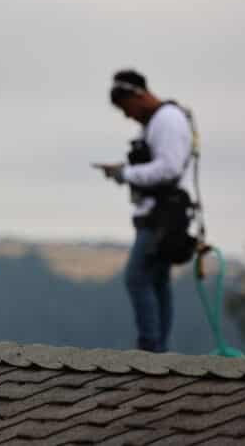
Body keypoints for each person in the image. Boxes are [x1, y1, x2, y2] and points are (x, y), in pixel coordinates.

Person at [94, 69, 195, 352]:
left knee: (137, 277)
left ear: (138, 96)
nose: (129, 116)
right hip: (159, 213)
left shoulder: (167, 120)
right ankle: (159, 348)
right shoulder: (157, 122)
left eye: (127, 109)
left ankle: (151, 347)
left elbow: (169, 167)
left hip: (161, 215)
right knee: (157, 280)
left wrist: (127, 173)